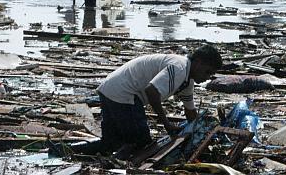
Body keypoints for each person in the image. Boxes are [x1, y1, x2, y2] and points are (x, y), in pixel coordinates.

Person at [49, 45, 222, 159]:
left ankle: (59, 149)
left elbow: (190, 112)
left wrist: (205, 134)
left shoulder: (187, 81)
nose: (207, 78)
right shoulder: (179, 67)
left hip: (111, 89)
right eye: (207, 72)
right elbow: (152, 91)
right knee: (143, 143)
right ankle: (117, 163)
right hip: (125, 94)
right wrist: (166, 124)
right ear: (198, 62)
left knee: (110, 143)